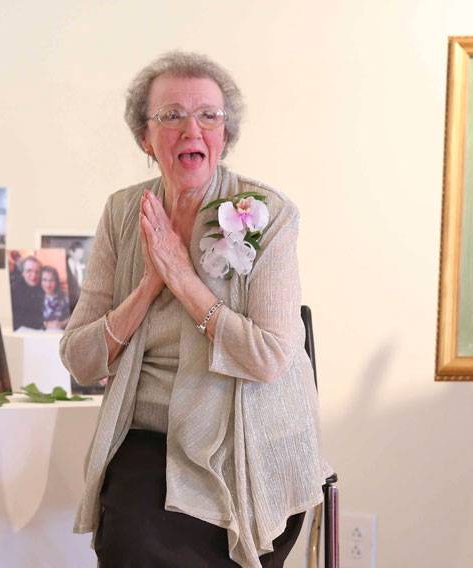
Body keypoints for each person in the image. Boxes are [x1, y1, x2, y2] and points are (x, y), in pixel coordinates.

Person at [60, 51, 330, 568]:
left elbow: (270, 357)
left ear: (225, 136)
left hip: (253, 441)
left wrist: (184, 281)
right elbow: (80, 359)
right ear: (145, 137)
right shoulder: (124, 212)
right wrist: (148, 285)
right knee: (133, 544)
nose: (192, 129)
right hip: (153, 440)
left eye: (209, 115)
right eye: (172, 116)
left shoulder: (266, 215)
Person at [10, 255, 45, 330]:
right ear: (22, 273)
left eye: (37, 272)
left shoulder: (44, 287)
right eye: (29, 271)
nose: (34, 276)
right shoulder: (13, 291)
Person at [40, 265, 70, 331]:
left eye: (51, 280)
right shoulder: (37, 298)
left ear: (56, 282)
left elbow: (73, 316)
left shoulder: (64, 298)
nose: (48, 284)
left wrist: (62, 324)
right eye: (44, 280)